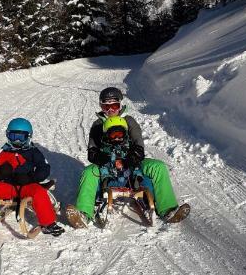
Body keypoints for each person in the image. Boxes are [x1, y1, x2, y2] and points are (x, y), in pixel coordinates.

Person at [66, 87, 190, 228]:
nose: (111, 110)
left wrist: (132, 157)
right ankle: (83, 214)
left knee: (158, 166)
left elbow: (139, 146)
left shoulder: (129, 121)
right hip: (107, 164)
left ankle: (168, 210)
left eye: (114, 106)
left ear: (120, 105)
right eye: (107, 106)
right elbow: (92, 151)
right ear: (101, 106)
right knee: (89, 172)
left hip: (132, 162)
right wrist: (100, 157)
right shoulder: (98, 125)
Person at [0, 117, 64, 236]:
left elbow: (44, 168)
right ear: (8, 136)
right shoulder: (5, 152)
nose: (17, 141)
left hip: (27, 186)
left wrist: (31, 178)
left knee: (39, 192)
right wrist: (1, 172)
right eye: (14, 137)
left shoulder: (33, 152)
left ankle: (48, 223)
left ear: (28, 137)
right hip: (9, 187)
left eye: (21, 137)